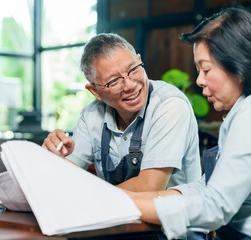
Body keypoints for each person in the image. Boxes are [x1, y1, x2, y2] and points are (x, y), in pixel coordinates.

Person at [126, 7, 251, 239]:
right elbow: (207, 187)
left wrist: (122, 206)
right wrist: (126, 200)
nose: (199, 80)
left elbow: (214, 206)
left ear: (241, 65)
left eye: (206, 69)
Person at [42, 33, 202, 192]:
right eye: (114, 81)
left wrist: (90, 197)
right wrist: (54, 157)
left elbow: (150, 187)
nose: (130, 85)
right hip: (117, 214)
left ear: (139, 60)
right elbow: (62, 175)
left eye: (133, 69)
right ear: (95, 91)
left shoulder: (169, 105)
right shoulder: (91, 116)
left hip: (173, 216)